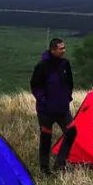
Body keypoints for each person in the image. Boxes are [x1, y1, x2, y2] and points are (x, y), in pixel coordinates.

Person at [29, 37, 77, 175]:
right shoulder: (42, 66)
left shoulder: (65, 64)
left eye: (64, 48)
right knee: (46, 138)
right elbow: (35, 86)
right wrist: (43, 101)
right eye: (61, 48)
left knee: (72, 131)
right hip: (46, 111)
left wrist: (67, 97)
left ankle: (60, 163)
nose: (64, 51)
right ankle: (44, 169)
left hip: (62, 108)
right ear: (53, 50)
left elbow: (70, 83)